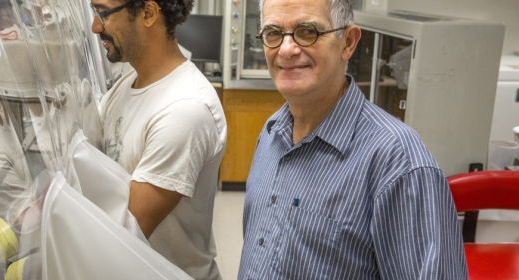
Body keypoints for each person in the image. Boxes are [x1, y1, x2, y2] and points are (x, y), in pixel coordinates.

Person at [238, 0, 468, 279]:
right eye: (273, 33)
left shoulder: (398, 162)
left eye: (308, 31)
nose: (286, 50)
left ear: (348, 42)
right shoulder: (272, 132)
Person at [90, 1, 226, 279]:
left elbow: (126, 230)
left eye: (102, 12)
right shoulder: (125, 86)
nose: (95, 26)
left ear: (149, 13)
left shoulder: (185, 108)